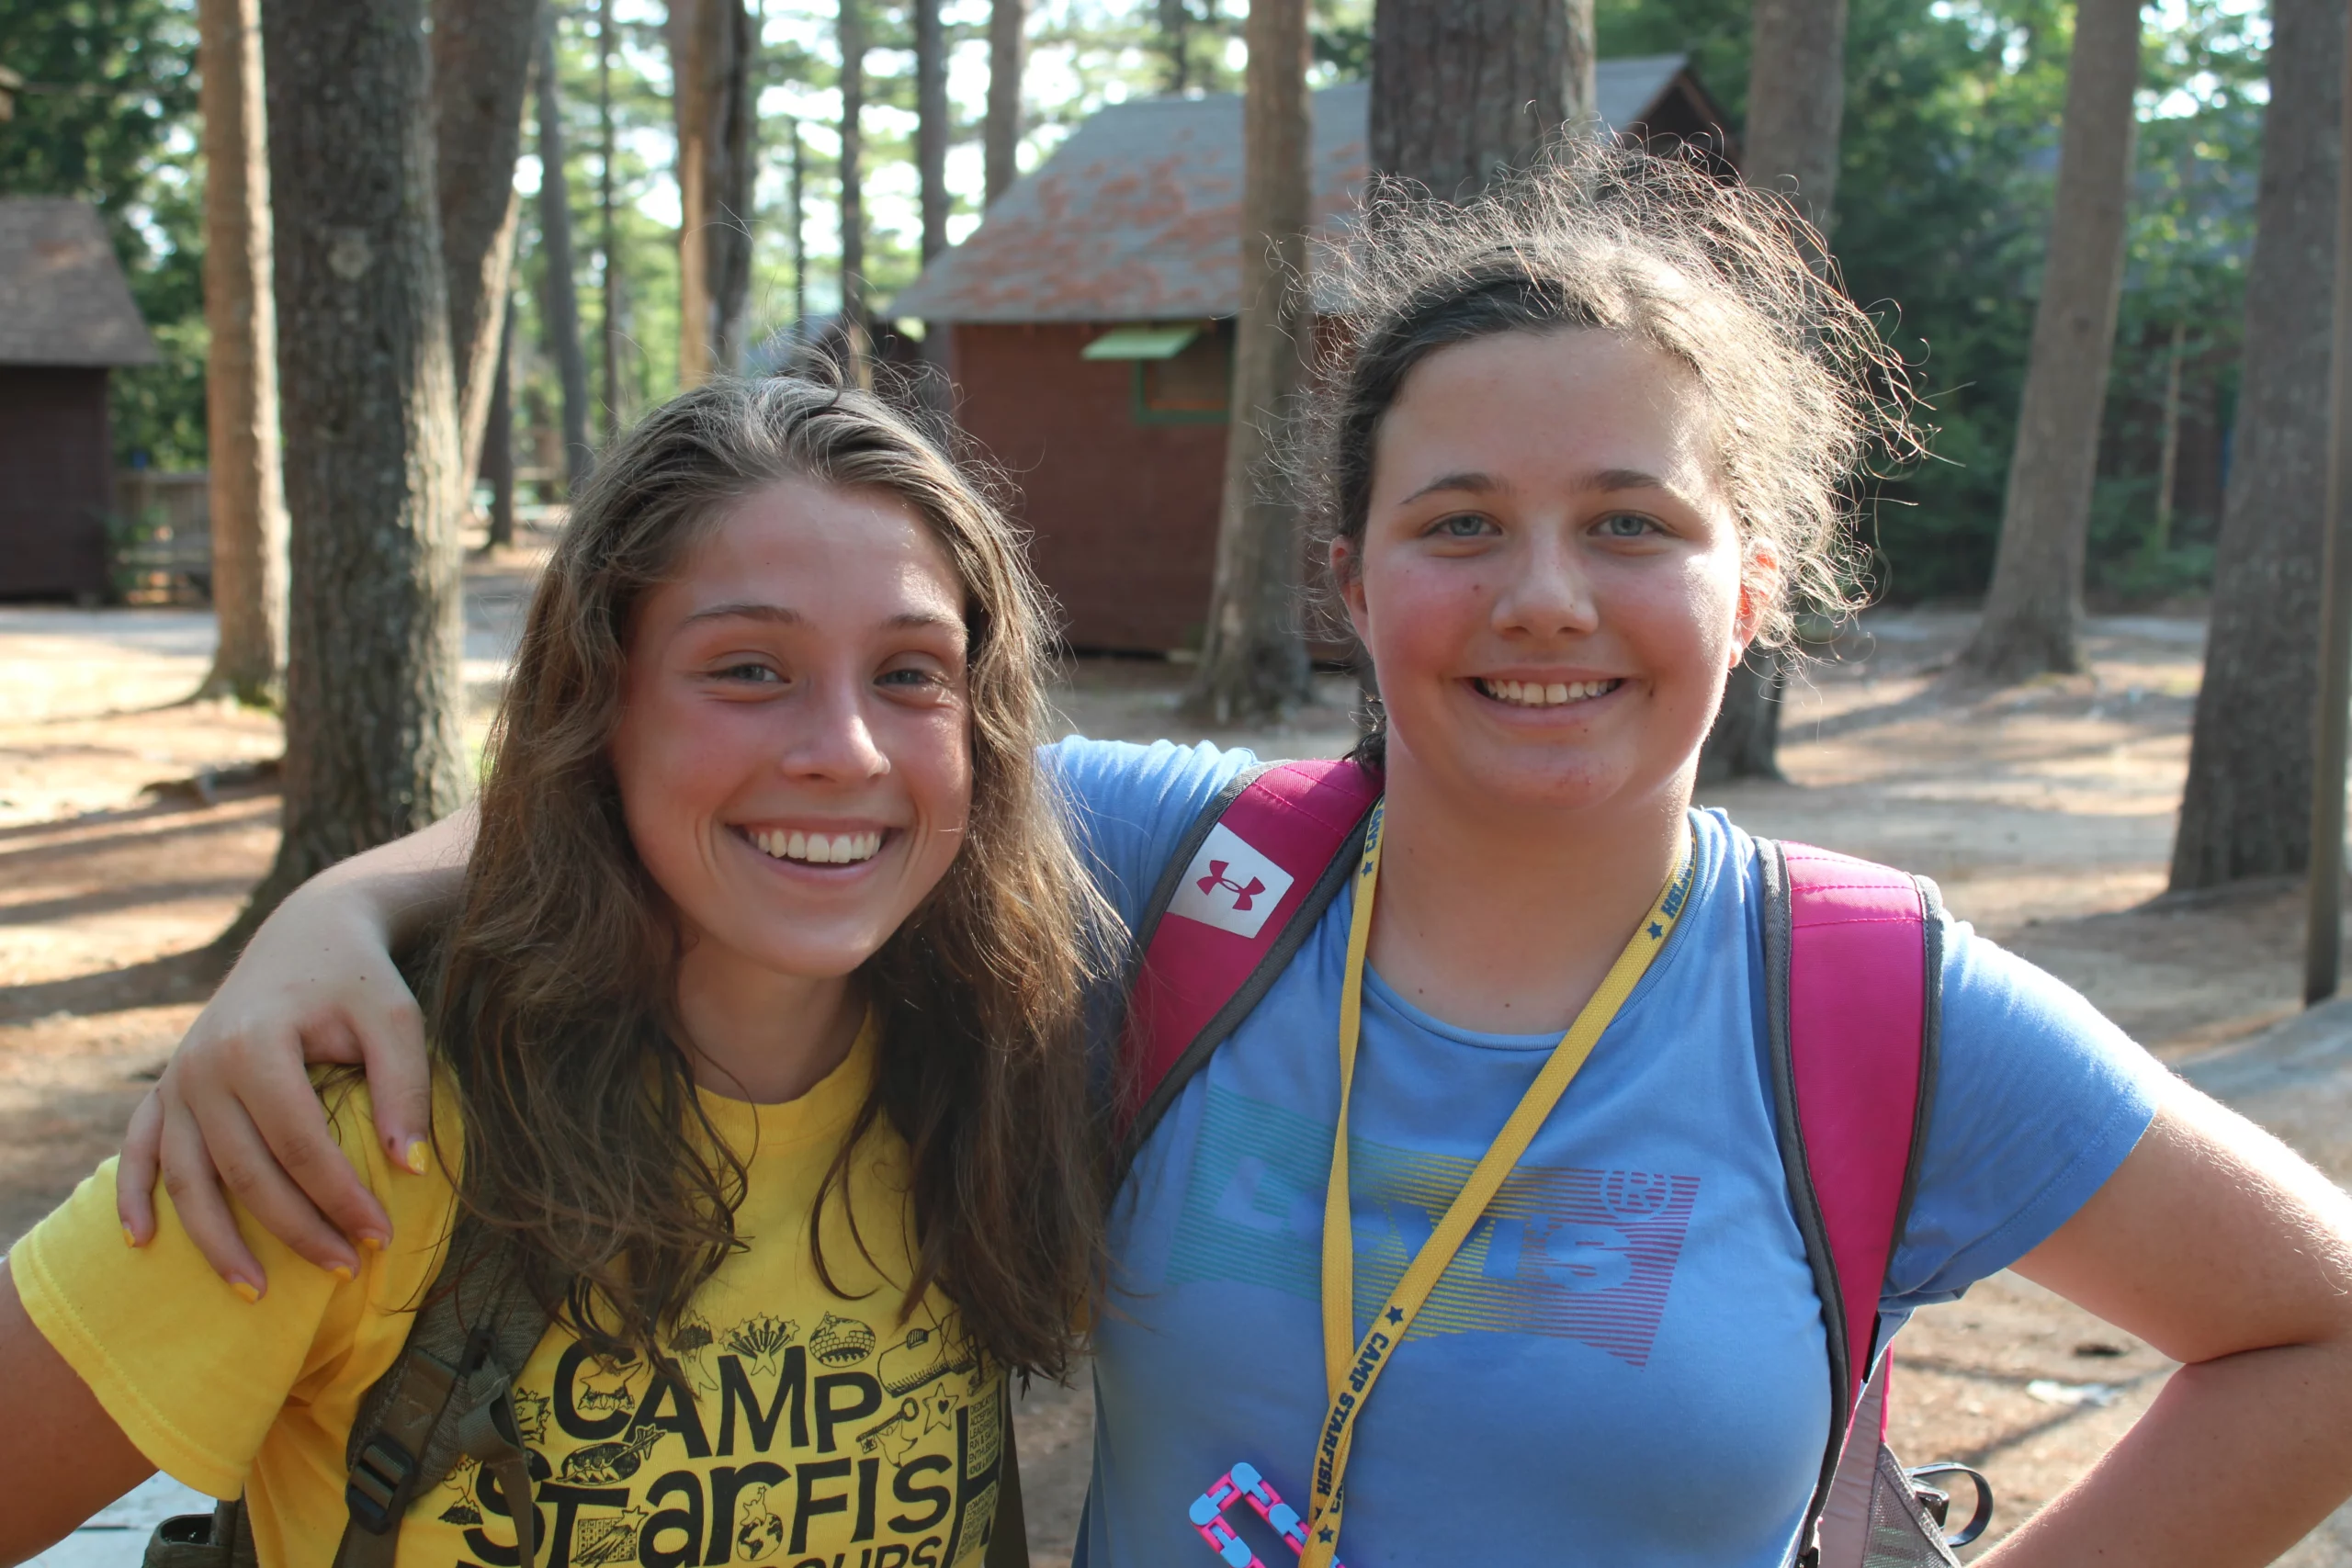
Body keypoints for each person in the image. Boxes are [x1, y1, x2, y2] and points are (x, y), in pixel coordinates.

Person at [96, 145, 2352, 1567]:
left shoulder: (1867, 1001)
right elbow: (781, 786)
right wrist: (332, 916)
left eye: (1631, 529)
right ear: (1347, 582)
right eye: (1457, 525)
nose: (1541, 598)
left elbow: (2311, 1332)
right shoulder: (1174, 867)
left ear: (1751, 587)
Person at [0, 378, 1111, 1568]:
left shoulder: (1000, 1075)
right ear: (602, 705)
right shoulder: (355, 1125)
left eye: (909, 673)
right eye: (747, 668)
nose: (844, 749)